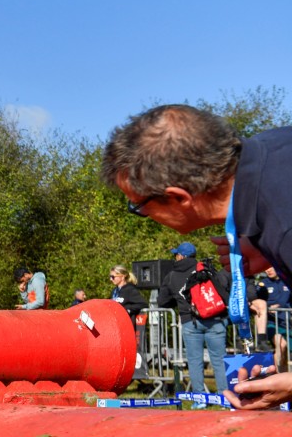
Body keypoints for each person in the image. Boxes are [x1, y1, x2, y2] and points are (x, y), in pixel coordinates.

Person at [101, 103, 292, 409]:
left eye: (137, 206)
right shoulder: (273, 148)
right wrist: (266, 245)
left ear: (179, 198)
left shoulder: (283, 225)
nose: (141, 214)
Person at [157, 242, 229, 405]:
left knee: (195, 360)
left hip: (190, 322)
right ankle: (224, 398)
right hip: (215, 319)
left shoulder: (172, 275)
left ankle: (200, 399)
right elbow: (221, 288)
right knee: (219, 359)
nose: (175, 257)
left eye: (176, 254)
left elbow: (162, 301)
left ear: (181, 256)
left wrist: (178, 302)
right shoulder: (204, 268)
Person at [257, 267, 291, 372]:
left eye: (271, 268)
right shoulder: (262, 284)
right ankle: (278, 374)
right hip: (272, 323)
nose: (268, 270)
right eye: (266, 268)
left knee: (284, 352)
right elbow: (258, 302)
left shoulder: (288, 281)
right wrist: (270, 307)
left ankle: (283, 374)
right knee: (281, 345)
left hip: (287, 322)